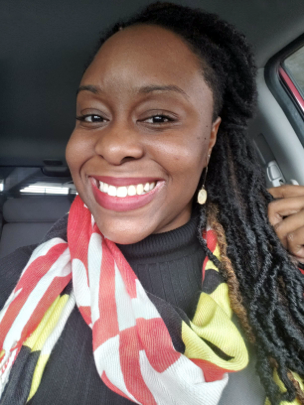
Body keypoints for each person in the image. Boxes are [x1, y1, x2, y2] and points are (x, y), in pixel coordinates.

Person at [1, 2, 304, 405]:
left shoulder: (276, 278)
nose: (112, 146)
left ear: (210, 138)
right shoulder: (15, 276)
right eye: (92, 116)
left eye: (159, 118)